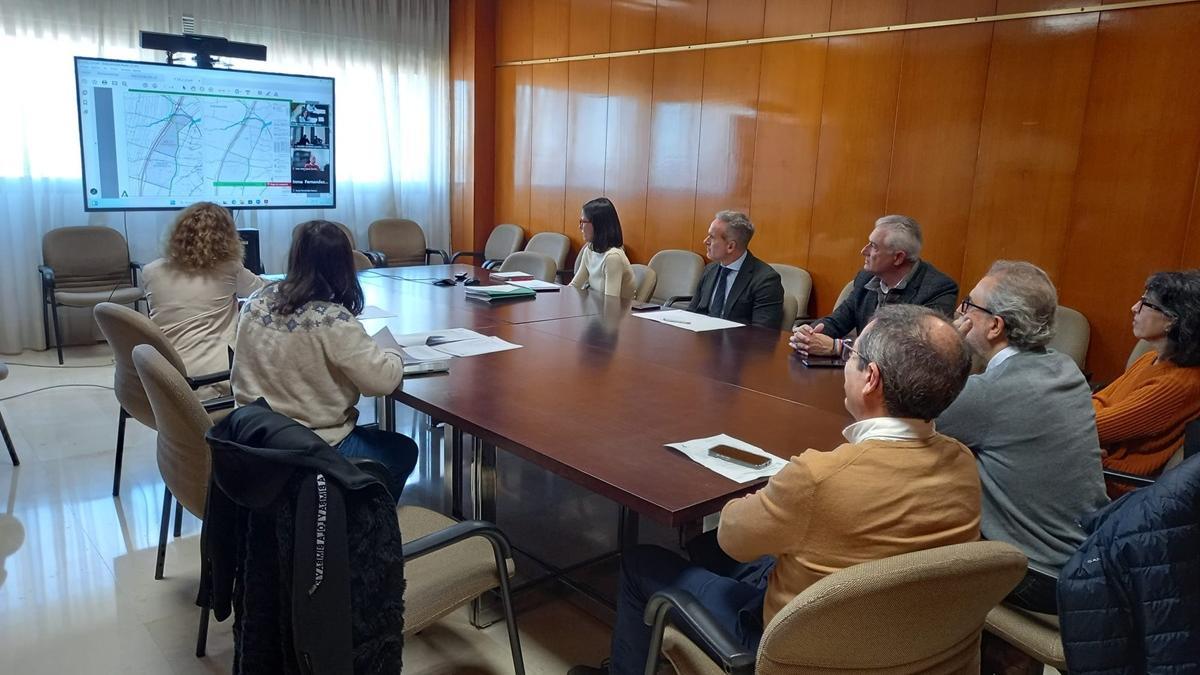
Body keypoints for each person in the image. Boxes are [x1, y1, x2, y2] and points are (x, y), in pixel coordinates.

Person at [572, 305, 981, 675]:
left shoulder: (819, 476)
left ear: (871, 379)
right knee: (717, 548)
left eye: (853, 355)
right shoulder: (962, 462)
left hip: (796, 648)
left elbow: (733, 536)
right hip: (897, 638)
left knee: (642, 561)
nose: (847, 364)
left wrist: (779, 491)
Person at [936, 260, 1108, 614]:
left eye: (969, 305)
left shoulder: (991, 394)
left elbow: (905, 407)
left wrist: (949, 344)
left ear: (995, 325)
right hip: (1086, 562)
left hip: (1035, 575)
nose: (960, 312)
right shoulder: (1064, 367)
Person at [231, 220, 418, 502]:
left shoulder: (256, 301)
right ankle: (357, 523)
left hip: (253, 437)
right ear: (344, 264)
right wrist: (391, 352)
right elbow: (381, 382)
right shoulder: (333, 319)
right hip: (312, 447)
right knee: (402, 451)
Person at [1093, 271, 1200, 496]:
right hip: (1092, 462)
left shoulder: (1179, 384)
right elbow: (1097, 402)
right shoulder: (1149, 358)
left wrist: (1089, 438)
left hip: (1113, 484)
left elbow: (1094, 426)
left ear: (1172, 319)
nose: (1134, 308)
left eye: (1145, 303)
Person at [143, 202, 264, 397]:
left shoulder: (150, 271)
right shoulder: (229, 268)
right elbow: (260, 291)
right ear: (227, 237)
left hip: (162, 377)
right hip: (212, 381)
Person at [790, 214, 957, 356]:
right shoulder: (865, 278)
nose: (864, 251)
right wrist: (808, 335)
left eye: (874, 246)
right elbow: (838, 320)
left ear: (898, 257)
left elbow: (910, 351)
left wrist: (838, 347)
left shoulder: (938, 290)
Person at [686, 211, 784, 328]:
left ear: (730, 246)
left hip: (738, 344)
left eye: (711, 237)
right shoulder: (709, 270)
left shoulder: (766, 280)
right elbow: (692, 312)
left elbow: (762, 332)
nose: (705, 241)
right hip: (703, 340)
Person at [569, 197, 636, 299]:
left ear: (598, 225)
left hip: (618, 313)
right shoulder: (589, 250)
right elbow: (574, 286)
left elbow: (611, 303)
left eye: (583, 221)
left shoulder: (613, 257)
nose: (580, 227)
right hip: (597, 310)